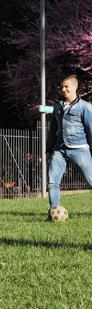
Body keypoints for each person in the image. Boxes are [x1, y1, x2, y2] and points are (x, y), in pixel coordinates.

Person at [46, 74, 92, 210]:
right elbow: (52, 131)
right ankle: (54, 211)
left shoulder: (85, 107)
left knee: (90, 181)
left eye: (66, 87)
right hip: (59, 149)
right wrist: (49, 150)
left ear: (75, 87)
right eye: (62, 87)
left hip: (80, 149)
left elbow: (91, 129)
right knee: (52, 182)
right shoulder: (58, 107)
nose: (64, 90)